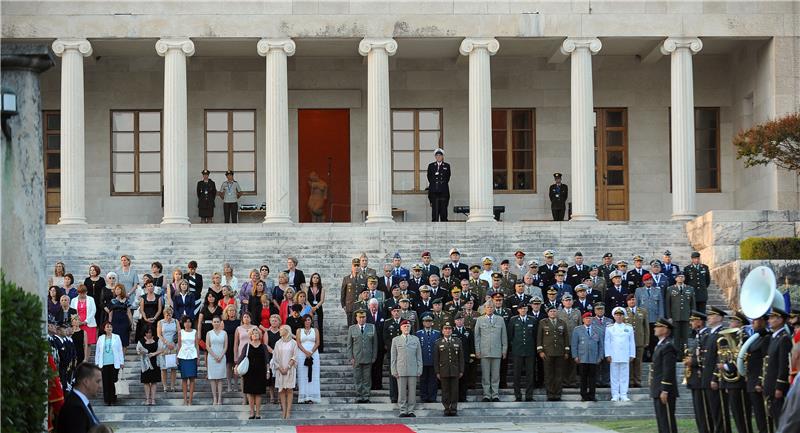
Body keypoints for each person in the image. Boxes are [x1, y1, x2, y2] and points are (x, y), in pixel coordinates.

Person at [765, 308, 792, 429]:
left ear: (780, 320)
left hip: (777, 387)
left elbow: (783, 365)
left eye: (772, 318)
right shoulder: (774, 337)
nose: (769, 320)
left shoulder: (784, 338)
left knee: (780, 420)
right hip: (770, 385)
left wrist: (780, 386)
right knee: (774, 418)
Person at [474, 302, 507, 402]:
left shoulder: (500, 319)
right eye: (487, 307)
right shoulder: (480, 320)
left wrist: (504, 349)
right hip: (484, 351)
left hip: (497, 351)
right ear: (484, 308)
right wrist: (477, 350)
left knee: (496, 375)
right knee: (485, 375)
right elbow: (477, 336)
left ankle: (495, 394)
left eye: (491, 307)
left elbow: (504, 336)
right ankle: (486, 395)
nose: (489, 308)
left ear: (494, 308)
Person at [651, 318, 679, 433]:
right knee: (661, 421)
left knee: (667, 421)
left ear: (665, 329)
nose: (655, 329)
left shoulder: (668, 346)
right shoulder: (660, 345)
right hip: (658, 389)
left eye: (658, 327)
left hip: (664, 390)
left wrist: (665, 390)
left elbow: (668, 369)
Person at [57, 362, 102, 433]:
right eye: (98, 381)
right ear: (86, 382)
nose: (100, 386)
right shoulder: (75, 408)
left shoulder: (82, 402)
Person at [391, 319, 423, 418]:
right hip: (400, 369)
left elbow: (419, 356)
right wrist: (394, 370)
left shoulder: (415, 339)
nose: (406, 328)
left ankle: (411, 410)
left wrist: (419, 369)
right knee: (401, 392)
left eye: (408, 326)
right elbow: (393, 357)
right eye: (404, 326)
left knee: (412, 392)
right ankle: (403, 410)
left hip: (413, 369)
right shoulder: (395, 340)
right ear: (401, 328)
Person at [538, 305, 569, 401]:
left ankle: (558, 394)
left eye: (554, 311)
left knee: (559, 375)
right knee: (549, 375)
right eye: (551, 311)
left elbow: (566, 337)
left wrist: (566, 351)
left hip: (560, 352)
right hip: (547, 353)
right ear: (548, 313)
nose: (553, 313)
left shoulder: (562, 323)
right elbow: (539, 338)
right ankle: (550, 394)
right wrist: (540, 350)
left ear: (557, 312)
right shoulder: (543, 322)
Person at [347, 310, 378, 403]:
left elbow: (375, 344)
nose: (361, 319)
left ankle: (366, 396)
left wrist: (374, 356)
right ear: (356, 318)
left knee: (367, 378)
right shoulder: (352, 329)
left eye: (363, 317)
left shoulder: (371, 327)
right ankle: (359, 395)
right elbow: (349, 345)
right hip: (356, 358)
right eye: (359, 317)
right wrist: (351, 357)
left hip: (368, 357)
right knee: (357, 377)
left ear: (366, 318)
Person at [572, 311, 604, 402]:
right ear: (583, 320)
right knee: (583, 378)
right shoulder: (577, 330)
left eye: (590, 318)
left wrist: (600, 356)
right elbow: (574, 344)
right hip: (582, 358)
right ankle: (584, 396)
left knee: (593, 378)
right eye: (586, 318)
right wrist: (575, 356)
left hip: (594, 358)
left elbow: (601, 345)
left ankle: (592, 395)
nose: (588, 320)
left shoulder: (598, 330)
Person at [508, 303, 537, 402]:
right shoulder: (513, 320)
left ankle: (529, 395)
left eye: (525, 308)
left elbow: (535, 335)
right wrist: (513, 347)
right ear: (518, 310)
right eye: (521, 309)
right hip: (518, 350)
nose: (523, 310)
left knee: (530, 374)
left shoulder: (532, 319)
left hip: (529, 350)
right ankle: (518, 395)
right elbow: (510, 336)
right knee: (517, 374)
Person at [434, 321, 463, 416]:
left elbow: (461, 358)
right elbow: (436, 359)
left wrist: (461, 370)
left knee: (455, 390)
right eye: (445, 329)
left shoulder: (457, 341)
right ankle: (446, 408)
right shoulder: (438, 342)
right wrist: (437, 371)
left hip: (455, 370)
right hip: (443, 370)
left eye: (449, 329)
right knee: (445, 390)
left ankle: (454, 408)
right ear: (442, 331)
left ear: (452, 330)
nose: (447, 330)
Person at [606, 307, 636, 402]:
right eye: (617, 315)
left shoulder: (629, 327)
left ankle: (623, 394)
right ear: (614, 316)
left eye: (620, 315)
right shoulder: (609, 328)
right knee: (614, 376)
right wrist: (608, 354)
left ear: (623, 316)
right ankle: (615, 395)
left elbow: (632, 342)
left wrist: (632, 354)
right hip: (614, 355)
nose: (619, 317)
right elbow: (607, 342)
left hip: (625, 354)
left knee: (624, 376)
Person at [238, 327, 268, 419]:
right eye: (253, 333)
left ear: (260, 335)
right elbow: (241, 358)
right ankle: (251, 412)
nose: (255, 335)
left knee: (258, 393)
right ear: (250, 335)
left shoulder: (263, 346)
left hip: (260, 372)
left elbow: (267, 360)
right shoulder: (246, 346)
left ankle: (258, 412)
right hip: (249, 372)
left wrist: (268, 371)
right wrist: (236, 366)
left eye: (257, 333)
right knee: (250, 393)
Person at [272, 325, 298, 419]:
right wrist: (279, 368)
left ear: (287, 331)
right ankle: (283, 410)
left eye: (281, 329)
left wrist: (287, 367)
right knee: (282, 390)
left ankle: (288, 411)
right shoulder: (278, 343)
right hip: (280, 369)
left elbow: (295, 356)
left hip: (290, 369)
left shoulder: (293, 343)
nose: (279, 330)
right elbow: (274, 357)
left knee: (289, 389)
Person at [665, 271, 696, 351]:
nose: (680, 278)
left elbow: (693, 304)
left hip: (686, 316)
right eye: (679, 277)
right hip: (675, 316)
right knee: (676, 337)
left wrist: (693, 317)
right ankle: (677, 354)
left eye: (682, 277)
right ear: (675, 278)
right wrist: (669, 317)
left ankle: (684, 354)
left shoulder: (690, 289)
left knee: (685, 337)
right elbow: (668, 304)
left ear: (684, 278)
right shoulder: (670, 289)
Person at [94, 322, 124, 405]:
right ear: (104, 329)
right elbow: (98, 351)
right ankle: (107, 400)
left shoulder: (116, 337)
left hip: (114, 363)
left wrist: (122, 362)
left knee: (113, 381)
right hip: (104, 363)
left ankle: (113, 399)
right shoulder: (101, 338)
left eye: (110, 327)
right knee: (106, 381)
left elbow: (120, 350)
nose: (109, 328)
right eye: (107, 327)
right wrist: (97, 362)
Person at [624, 294, 649, 387]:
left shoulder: (642, 311)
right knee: (629, 362)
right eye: (630, 300)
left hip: (639, 341)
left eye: (633, 300)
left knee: (638, 362)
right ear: (627, 302)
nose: (632, 301)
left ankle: (637, 380)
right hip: (627, 342)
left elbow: (646, 327)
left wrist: (646, 340)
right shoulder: (624, 312)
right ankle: (630, 381)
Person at [296, 314, 321, 403]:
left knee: (313, 375)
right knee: (303, 375)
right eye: (306, 320)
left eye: (309, 320)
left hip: (313, 353)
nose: (307, 321)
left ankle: (312, 396)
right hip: (302, 354)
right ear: (303, 321)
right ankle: (304, 396)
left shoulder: (315, 330)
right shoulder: (299, 330)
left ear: (311, 321)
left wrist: (310, 352)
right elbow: (298, 343)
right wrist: (306, 352)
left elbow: (317, 342)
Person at [416, 313, 441, 403]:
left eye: (429, 321)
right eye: (426, 321)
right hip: (423, 360)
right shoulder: (418, 334)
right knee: (423, 380)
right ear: (423, 322)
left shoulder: (437, 333)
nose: (428, 323)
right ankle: (424, 397)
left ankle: (432, 397)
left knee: (433, 380)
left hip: (434, 361)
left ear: (432, 322)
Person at [233, 311, 257, 402]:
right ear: (242, 319)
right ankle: (244, 397)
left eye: (248, 316)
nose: (246, 318)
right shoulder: (238, 328)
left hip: (253, 352)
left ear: (250, 318)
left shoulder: (255, 328)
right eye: (244, 317)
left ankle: (252, 396)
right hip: (242, 354)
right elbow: (236, 343)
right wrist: (236, 356)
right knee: (243, 375)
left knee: (252, 375)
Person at [136, 325, 162, 405]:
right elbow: (138, 351)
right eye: (147, 332)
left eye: (150, 332)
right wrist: (142, 352)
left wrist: (154, 354)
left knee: (154, 382)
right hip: (145, 363)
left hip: (155, 362)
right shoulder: (141, 341)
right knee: (146, 382)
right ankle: (147, 399)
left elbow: (162, 349)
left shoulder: (157, 339)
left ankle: (153, 399)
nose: (148, 334)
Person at [176, 316, 198, 406]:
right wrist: (177, 357)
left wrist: (198, 357)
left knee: (192, 379)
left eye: (189, 322)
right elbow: (179, 345)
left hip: (192, 356)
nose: (187, 323)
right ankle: (185, 399)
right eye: (186, 322)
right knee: (184, 379)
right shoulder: (180, 332)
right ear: (183, 323)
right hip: (183, 356)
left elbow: (197, 345)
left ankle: (190, 400)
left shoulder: (194, 332)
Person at [156, 306, 179, 392]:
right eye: (167, 315)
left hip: (173, 345)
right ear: (164, 314)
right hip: (163, 345)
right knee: (164, 367)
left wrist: (174, 344)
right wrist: (166, 343)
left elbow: (179, 333)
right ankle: (165, 386)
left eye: (170, 314)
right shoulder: (160, 322)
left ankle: (172, 386)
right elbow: (159, 334)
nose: (169, 317)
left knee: (173, 367)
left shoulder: (176, 321)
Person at [206, 316, 228, 405]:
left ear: (220, 322)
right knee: (212, 379)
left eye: (217, 322)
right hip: (212, 357)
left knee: (220, 379)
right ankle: (214, 398)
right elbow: (207, 346)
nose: (216, 323)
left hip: (222, 356)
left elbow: (226, 346)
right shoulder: (209, 333)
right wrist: (215, 356)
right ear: (212, 323)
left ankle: (219, 398)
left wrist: (221, 356)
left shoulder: (224, 333)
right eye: (214, 322)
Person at [426, 147, 451, 222]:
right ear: (435, 157)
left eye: (440, 155)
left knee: (443, 212)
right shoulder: (431, 166)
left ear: (442, 156)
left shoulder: (446, 166)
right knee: (435, 212)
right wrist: (434, 186)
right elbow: (429, 177)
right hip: (434, 192)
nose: (438, 157)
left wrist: (441, 185)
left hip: (443, 191)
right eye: (437, 155)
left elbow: (447, 178)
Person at [263, 314, 282, 404]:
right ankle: (271, 396)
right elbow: (265, 344)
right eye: (272, 320)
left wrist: (278, 353)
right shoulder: (267, 332)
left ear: (279, 322)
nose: (274, 322)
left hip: (281, 356)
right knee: (270, 377)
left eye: (275, 320)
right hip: (270, 356)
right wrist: (274, 352)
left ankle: (279, 396)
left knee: (278, 376)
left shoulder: (281, 332)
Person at [221, 305, 240, 392]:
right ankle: (229, 384)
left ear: (235, 312)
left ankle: (236, 384)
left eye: (233, 310)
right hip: (227, 345)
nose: (232, 312)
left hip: (236, 345)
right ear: (227, 312)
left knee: (236, 365)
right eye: (230, 310)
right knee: (228, 365)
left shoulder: (239, 322)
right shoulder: (223, 322)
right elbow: (221, 335)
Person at [307, 272, 325, 352]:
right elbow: (306, 299)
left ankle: (320, 348)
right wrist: (311, 307)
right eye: (314, 277)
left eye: (317, 278)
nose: (315, 279)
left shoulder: (322, 289)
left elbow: (322, 300)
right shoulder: (307, 288)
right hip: (309, 308)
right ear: (311, 279)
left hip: (319, 308)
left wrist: (316, 307)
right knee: (309, 326)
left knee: (319, 327)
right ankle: (310, 346)